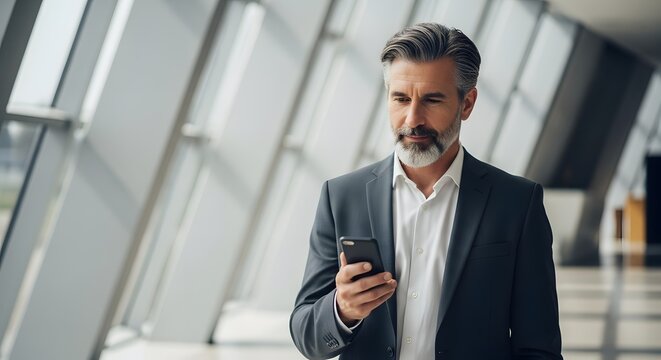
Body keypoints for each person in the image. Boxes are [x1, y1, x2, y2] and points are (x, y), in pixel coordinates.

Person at [289, 22, 562, 360]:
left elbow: (538, 347)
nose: (413, 118)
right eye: (400, 98)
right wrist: (342, 310)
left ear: (467, 103)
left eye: (432, 100)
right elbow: (306, 335)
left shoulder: (517, 204)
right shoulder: (341, 197)